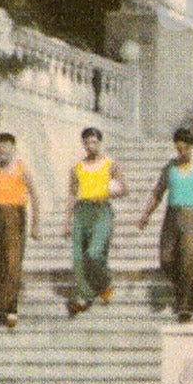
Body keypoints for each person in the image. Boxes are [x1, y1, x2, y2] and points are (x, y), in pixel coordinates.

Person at [138, 128, 193, 322]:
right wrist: (145, 215)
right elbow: (157, 193)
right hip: (172, 216)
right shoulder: (170, 167)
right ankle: (182, 287)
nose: (181, 152)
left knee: (189, 262)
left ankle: (186, 306)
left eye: (185, 148)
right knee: (166, 259)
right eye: (178, 149)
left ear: (191, 147)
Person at [0, 133, 42, 330]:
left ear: (13, 148)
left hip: (15, 215)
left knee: (12, 261)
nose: (2, 152)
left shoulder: (22, 169)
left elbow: (34, 196)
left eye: (6, 148)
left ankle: (11, 306)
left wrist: (35, 224)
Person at [63, 126, 127, 316]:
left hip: (101, 210)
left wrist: (111, 190)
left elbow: (124, 189)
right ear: (83, 144)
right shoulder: (77, 168)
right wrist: (67, 221)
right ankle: (85, 295)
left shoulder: (110, 164)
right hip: (82, 211)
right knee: (78, 257)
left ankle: (105, 282)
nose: (91, 146)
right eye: (87, 142)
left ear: (100, 143)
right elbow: (72, 195)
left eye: (95, 142)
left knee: (94, 253)